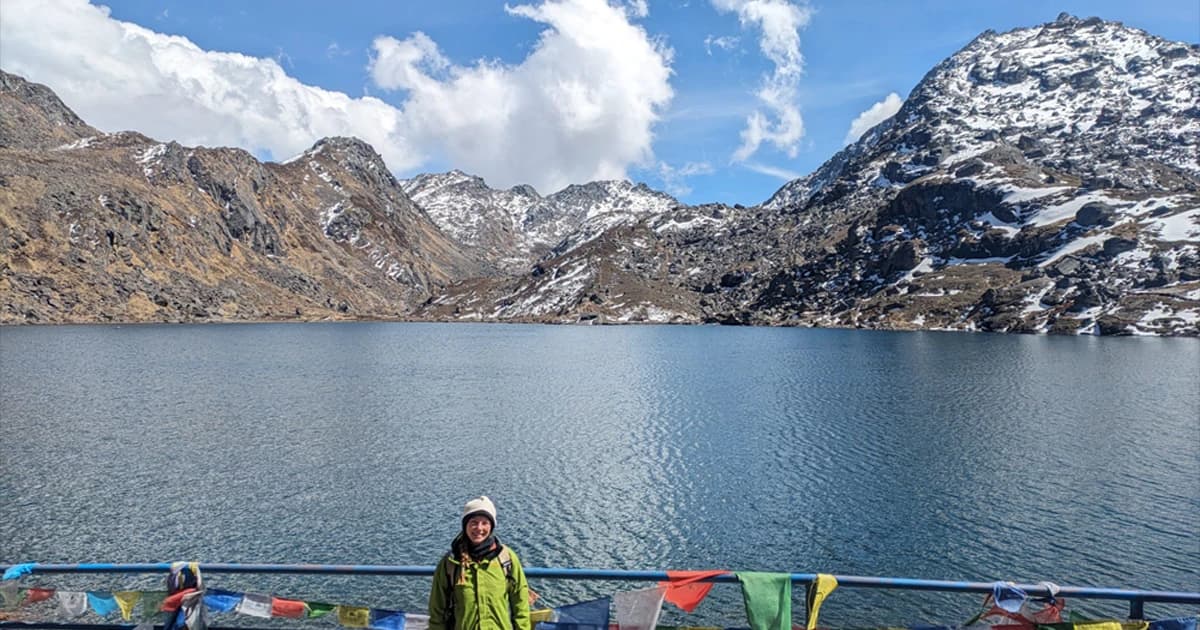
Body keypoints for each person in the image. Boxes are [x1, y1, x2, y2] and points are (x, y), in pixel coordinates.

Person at [430, 496, 532, 630]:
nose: (479, 528)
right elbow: (437, 609)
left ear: (491, 526)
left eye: (485, 523)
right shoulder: (450, 563)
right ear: (465, 525)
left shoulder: (506, 558)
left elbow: (520, 602)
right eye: (474, 522)